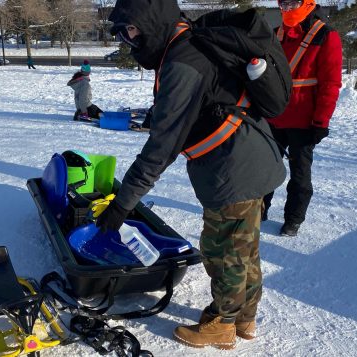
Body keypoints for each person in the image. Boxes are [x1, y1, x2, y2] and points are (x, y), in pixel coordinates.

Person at [96, 0, 285, 350]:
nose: (128, 39)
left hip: (234, 169)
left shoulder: (182, 61)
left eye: (132, 29)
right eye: (123, 32)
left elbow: (162, 148)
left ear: (152, 22)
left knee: (223, 250)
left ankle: (222, 324)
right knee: (245, 248)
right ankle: (245, 318)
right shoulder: (188, 40)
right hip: (251, 156)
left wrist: (123, 204)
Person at [263, 0, 342, 237]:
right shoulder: (275, 33)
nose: (287, 9)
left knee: (299, 174)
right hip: (272, 117)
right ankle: (259, 210)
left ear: (308, 3)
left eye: (292, 3)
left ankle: (293, 219)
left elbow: (331, 84)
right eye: (282, 3)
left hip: (304, 121)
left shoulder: (325, 36)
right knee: (264, 169)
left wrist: (321, 121)